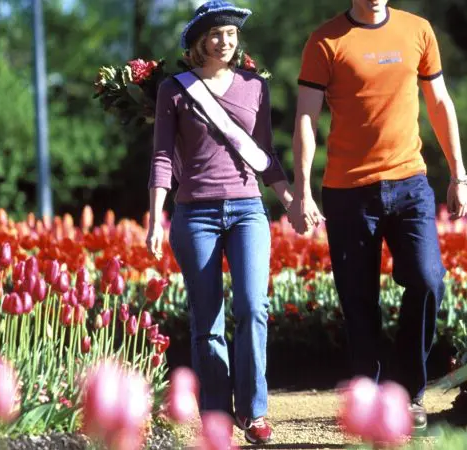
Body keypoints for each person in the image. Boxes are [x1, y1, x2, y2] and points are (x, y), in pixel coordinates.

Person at [289, 0, 467, 430]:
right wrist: (302, 189)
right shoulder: (325, 41)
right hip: (347, 191)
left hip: (410, 183)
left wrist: (458, 173)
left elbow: (440, 102)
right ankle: (368, 400)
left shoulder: (418, 31)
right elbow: (306, 119)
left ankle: (408, 392)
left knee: (428, 279)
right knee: (358, 302)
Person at [145, 0, 290, 444]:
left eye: (231, 34)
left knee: (252, 307)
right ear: (198, 42)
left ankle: (254, 410)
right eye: (216, 34)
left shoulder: (255, 87)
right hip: (195, 215)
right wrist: (155, 219)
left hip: (248, 210)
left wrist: (290, 197)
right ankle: (215, 414)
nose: (225, 41)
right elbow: (163, 157)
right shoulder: (174, 89)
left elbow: (263, 153)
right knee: (206, 320)